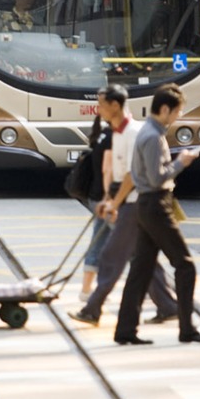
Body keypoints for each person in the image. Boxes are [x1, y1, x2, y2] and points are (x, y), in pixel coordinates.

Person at [111, 84, 200, 346]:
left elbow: (139, 174)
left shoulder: (146, 132)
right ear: (165, 109)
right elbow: (158, 178)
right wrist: (182, 162)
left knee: (141, 270)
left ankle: (125, 329)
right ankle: (187, 328)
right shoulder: (152, 137)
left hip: (146, 205)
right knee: (185, 265)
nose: (177, 117)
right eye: (177, 112)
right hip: (156, 205)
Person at [69, 85, 177, 327]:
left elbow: (131, 175)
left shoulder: (134, 133)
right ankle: (168, 305)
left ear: (115, 105)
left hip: (136, 203)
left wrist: (114, 203)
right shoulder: (117, 133)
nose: (99, 110)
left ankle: (92, 308)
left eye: (101, 105)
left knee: (111, 257)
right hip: (129, 201)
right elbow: (116, 174)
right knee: (142, 257)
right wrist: (108, 198)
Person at [76, 110, 111, 302]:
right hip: (107, 199)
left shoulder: (101, 135)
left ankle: (87, 289)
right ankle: (155, 291)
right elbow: (108, 169)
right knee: (134, 248)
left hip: (96, 197)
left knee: (99, 243)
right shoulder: (113, 138)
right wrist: (109, 199)